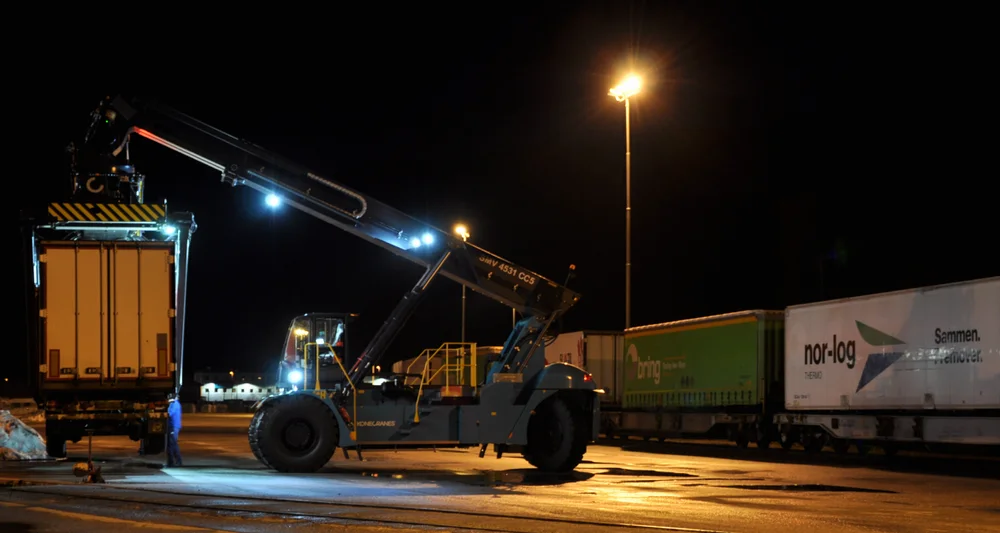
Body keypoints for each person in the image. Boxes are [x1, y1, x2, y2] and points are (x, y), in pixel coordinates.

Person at [166, 393, 183, 467]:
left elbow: (169, 413)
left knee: (172, 444)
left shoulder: (174, 404)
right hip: (174, 426)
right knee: (172, 444)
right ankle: (173, 461)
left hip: (173, 426)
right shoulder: (175, 403)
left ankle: (173, 462)